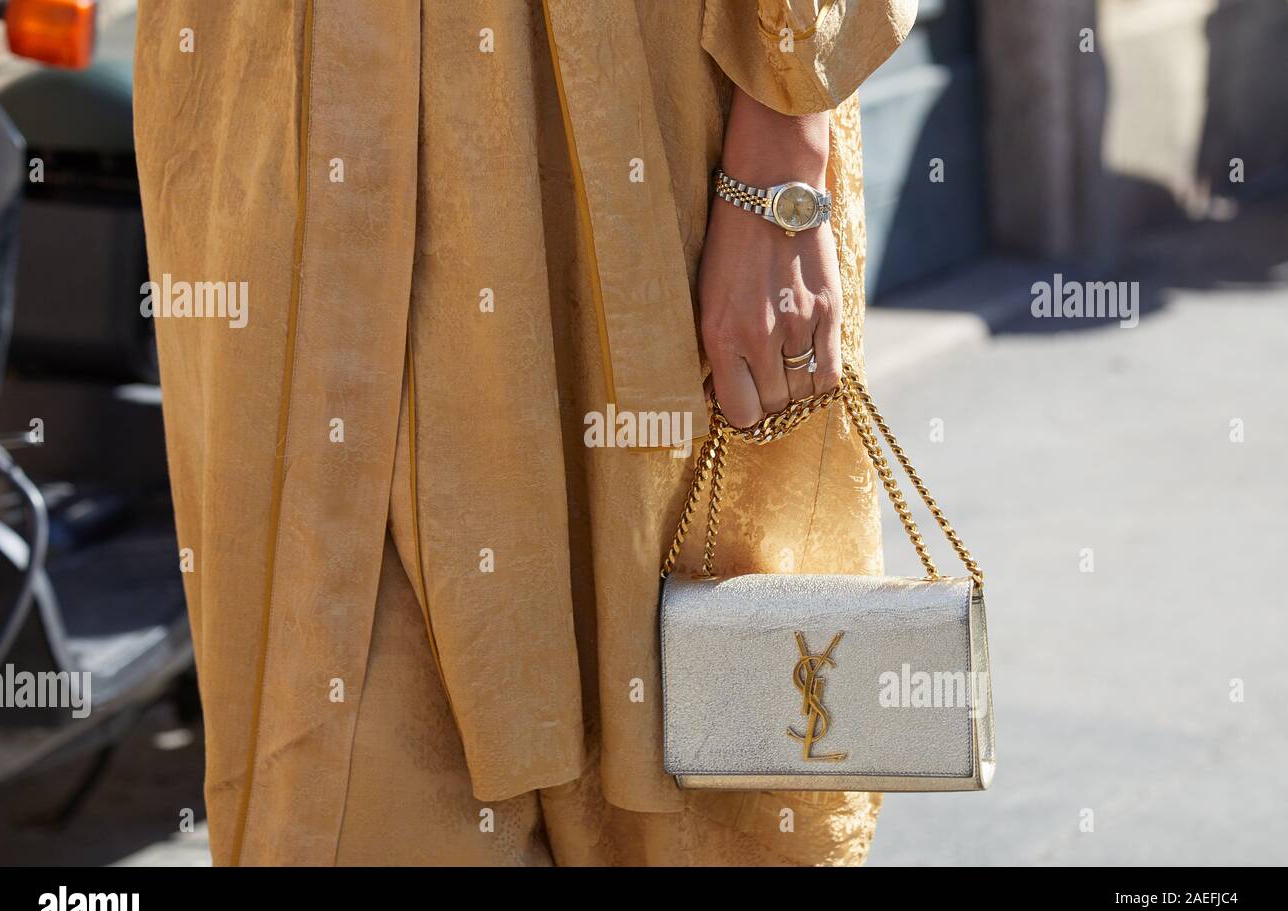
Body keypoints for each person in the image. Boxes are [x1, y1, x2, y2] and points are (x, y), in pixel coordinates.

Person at [133, 0, 916, 866]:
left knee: (681, 769)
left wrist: (782, 141)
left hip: (624, 138)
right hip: (278, 134)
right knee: (337, 786)